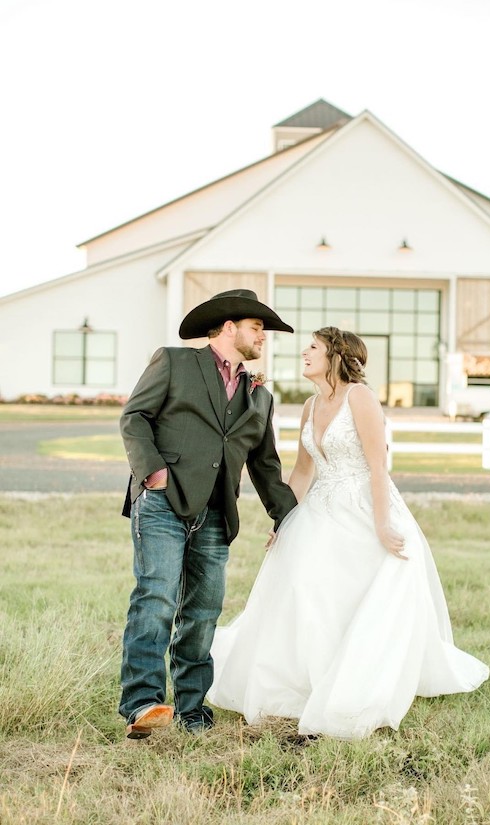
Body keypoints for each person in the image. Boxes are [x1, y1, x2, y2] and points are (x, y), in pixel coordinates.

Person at [207, 326, 489, 740]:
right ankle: (309, 677)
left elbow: (378, 466)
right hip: (320, 508)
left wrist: (381, 524)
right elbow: (303, 471)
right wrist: (282, 520)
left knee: (358, 592)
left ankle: (356, 680)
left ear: (335, 356)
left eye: (314, 347)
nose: (304, 352)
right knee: (305, 588)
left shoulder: (360, 397)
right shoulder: (309, 404)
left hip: (363, 506)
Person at [118, 289, 298, 738]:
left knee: (202, 613)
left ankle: (192, 710)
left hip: (218, 513)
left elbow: (265, 464)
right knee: (156, 598)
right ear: (229, 327)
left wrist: (290, 517)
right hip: (162, 501)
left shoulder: (261, 397)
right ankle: (142, 704)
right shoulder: (175, 363)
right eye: (258, 327)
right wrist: (153, 473)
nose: (264, 337)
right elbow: (134, 416)